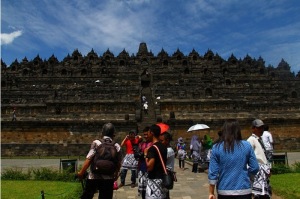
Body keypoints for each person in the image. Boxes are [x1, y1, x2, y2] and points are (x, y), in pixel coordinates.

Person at [208, 119, 259, 199]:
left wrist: (211, 192)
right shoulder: (246, 146)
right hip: (244, 189)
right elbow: (255, 167)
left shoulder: (216, 148)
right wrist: (245, 175)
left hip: (224, 190)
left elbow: (213, 172)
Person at [77, 123, 122, 199]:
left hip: (94, 176)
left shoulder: (96, 143)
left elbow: (89, 159)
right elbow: (118, 163)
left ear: (102, 132)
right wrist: (116, 174)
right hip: (108, 177)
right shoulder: (117, 146)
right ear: (113, 134)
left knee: (87, 196)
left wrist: (81, 172)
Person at [247, 119, 272, 199]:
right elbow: (248, 157)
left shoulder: (259, 139)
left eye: (262, 128)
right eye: (259, 128)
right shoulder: (251, 140)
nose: (261, 130)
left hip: (263, 170)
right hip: (257, 172)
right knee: (258, 194)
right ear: (253, 128)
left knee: (264, 193)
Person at [144, 124, 168, 199]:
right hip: (162, 179)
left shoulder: (152, 149)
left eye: (148, 133)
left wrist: (145, 154)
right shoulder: (163, 147)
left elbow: (149, 167)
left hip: (154, 180)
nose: (147, 135)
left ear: (152, 133)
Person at [137, 127, 153, 199]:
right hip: (142, 167)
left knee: (149, 189)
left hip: (150, 168)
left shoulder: (153, 144)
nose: (145, 136)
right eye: (144, 135)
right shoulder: (142, 144)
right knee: (143, 189)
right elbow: (137, 154)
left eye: (147, 134)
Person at [160, 132, 175, 199]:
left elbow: (161, 161)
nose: (160, 142)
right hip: (166, 173)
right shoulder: (167, 149)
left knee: (164, 194)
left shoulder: (168, 151)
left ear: (167, 140)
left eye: (162, 141)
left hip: (166, 173)